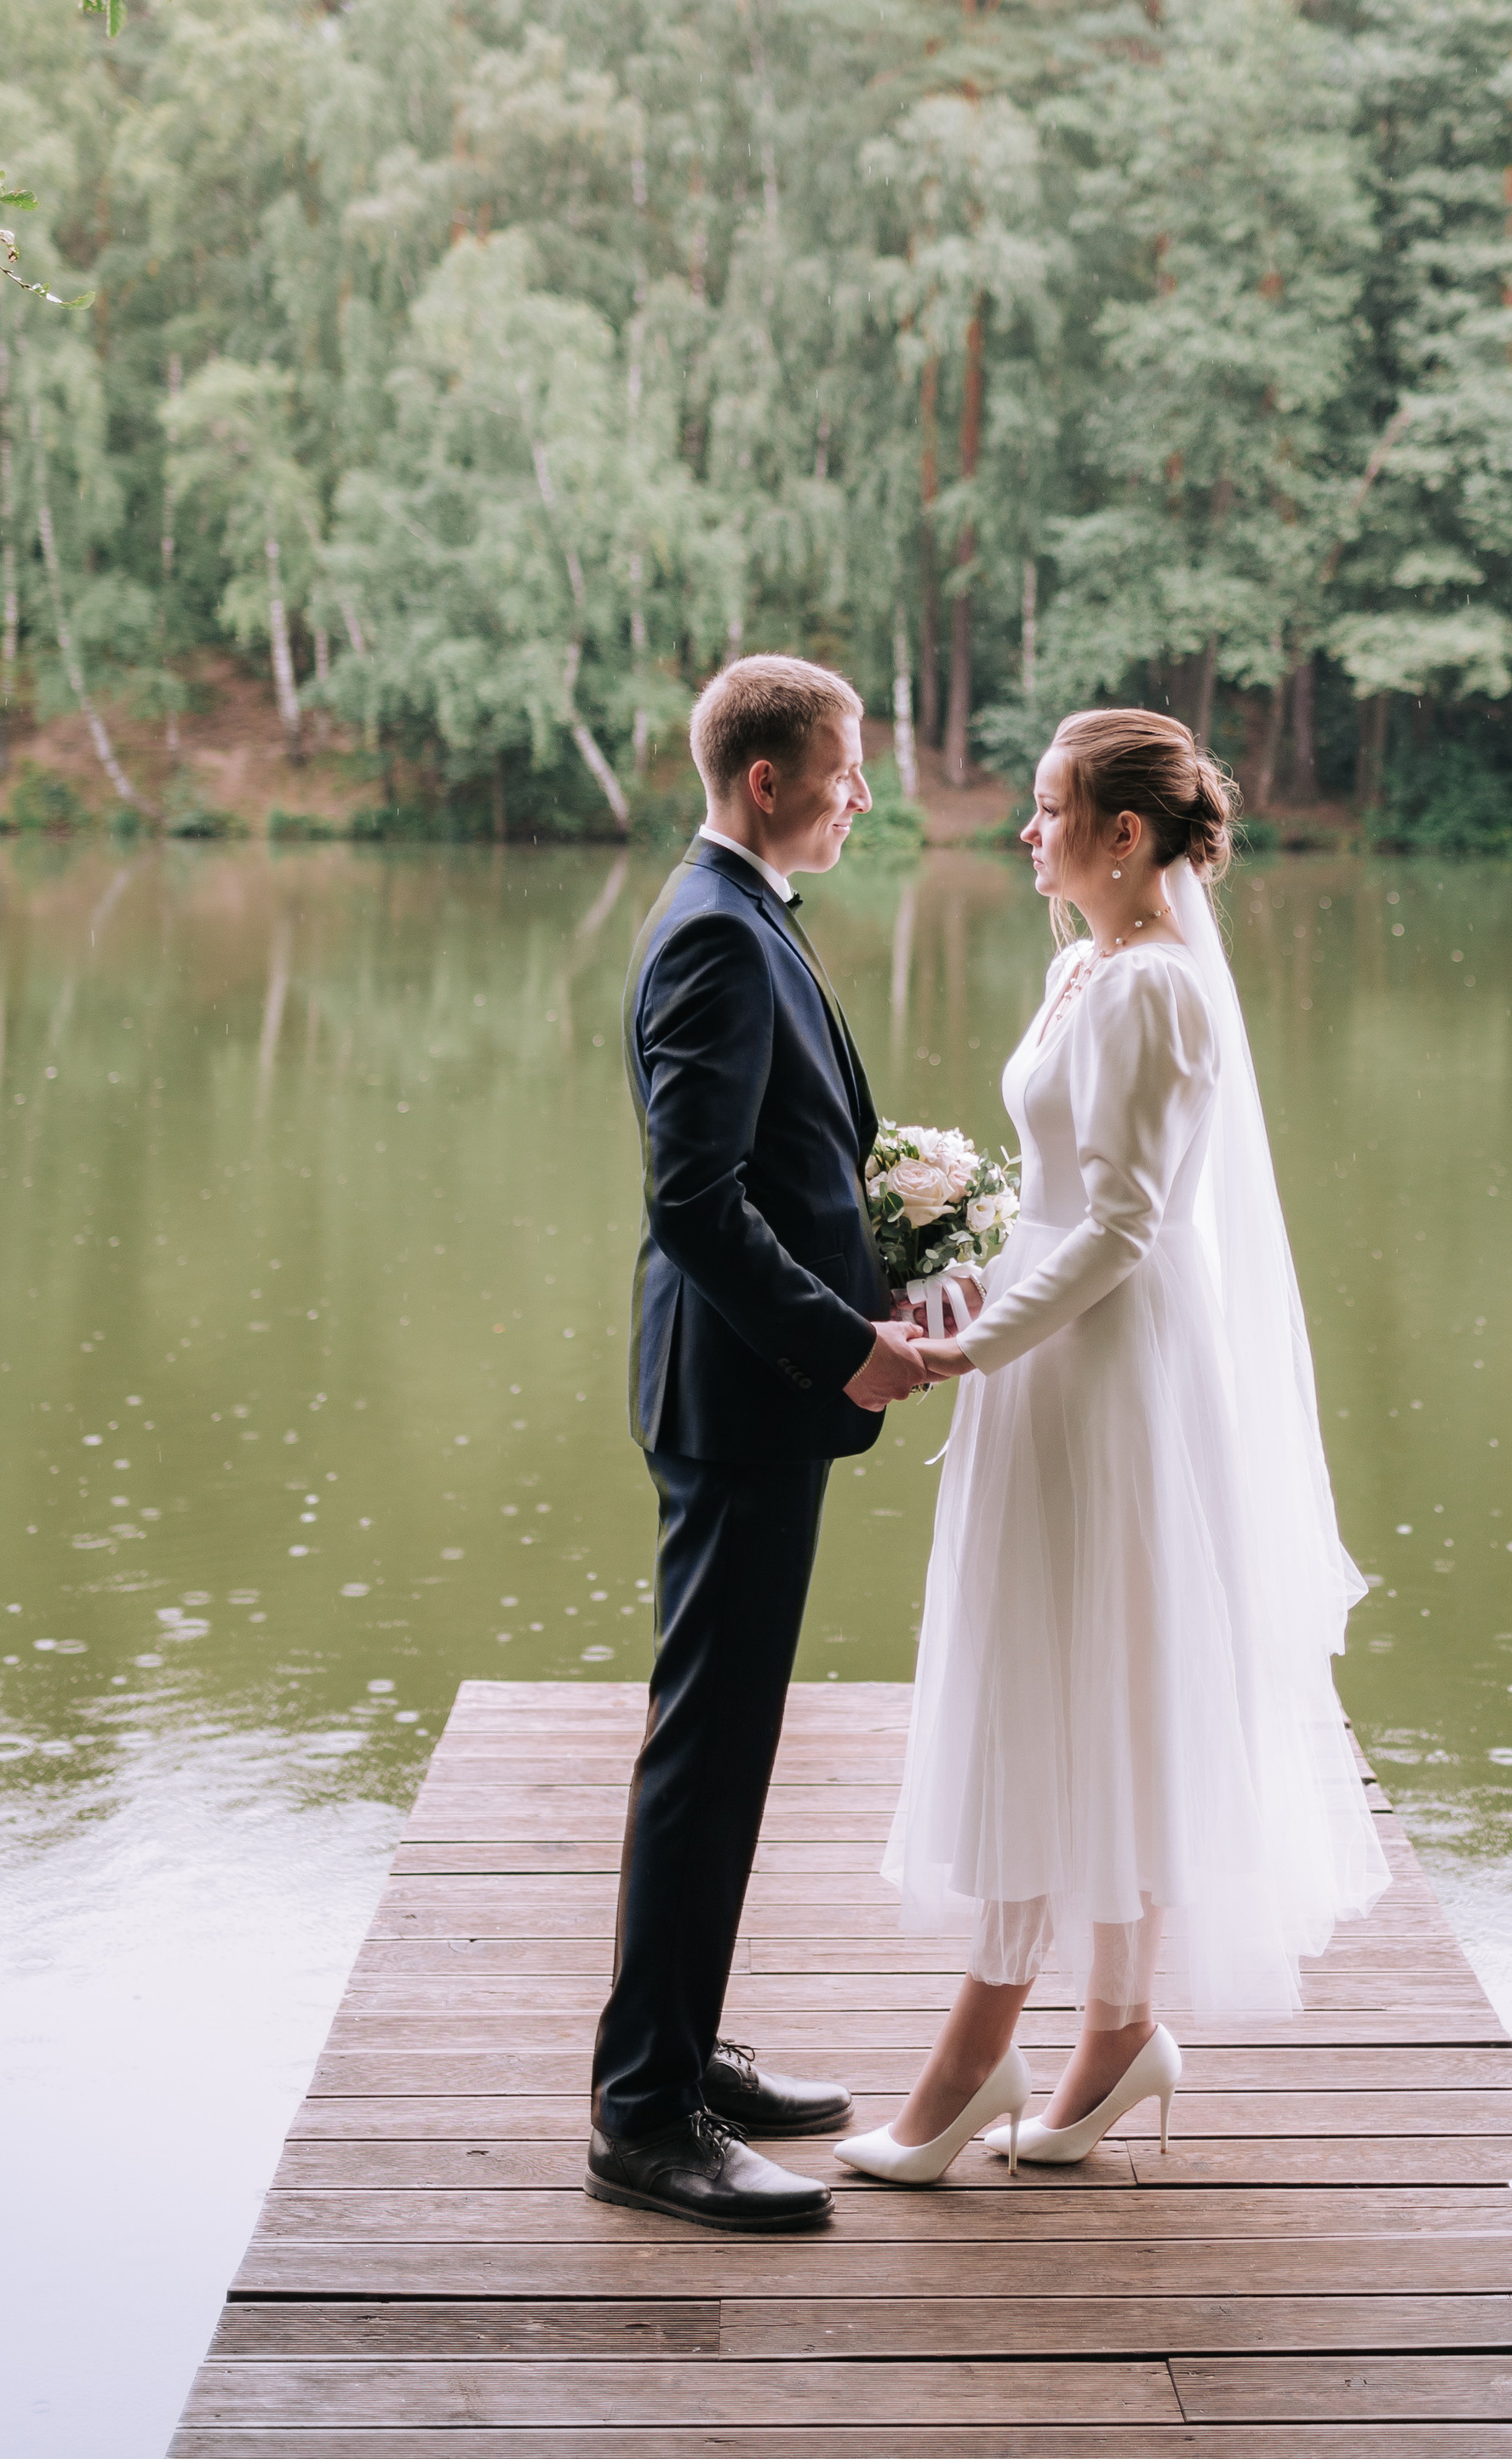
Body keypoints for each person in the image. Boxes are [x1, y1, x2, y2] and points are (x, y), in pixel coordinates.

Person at [837, 708, 1389, 2185]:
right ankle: (1116, 2035)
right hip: (1047, 1351)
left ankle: (980, 2060)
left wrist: (974, 1343)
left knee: (1081, 1672)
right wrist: (960, 1266)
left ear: (1124, 836)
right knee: (1072, 1669)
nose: (1026, 831)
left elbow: (1132, 1222)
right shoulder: (1085, 965)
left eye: (1048, 807)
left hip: (1105, 1373)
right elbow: (1059, 1194)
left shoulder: (1154, 993)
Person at [587, 654, 943, 2233]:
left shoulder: (740, 918)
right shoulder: (719, 939)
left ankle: (682, 2049)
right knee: (704, 1755)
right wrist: (843, 1345)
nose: (863, 792)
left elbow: (787, 1168)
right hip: (740, 1400)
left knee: (725, 1749)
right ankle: (646, 2116)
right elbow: (692, 1201)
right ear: (768, 781)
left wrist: (894, 1265)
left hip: (747, 1395)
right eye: (846, 767)